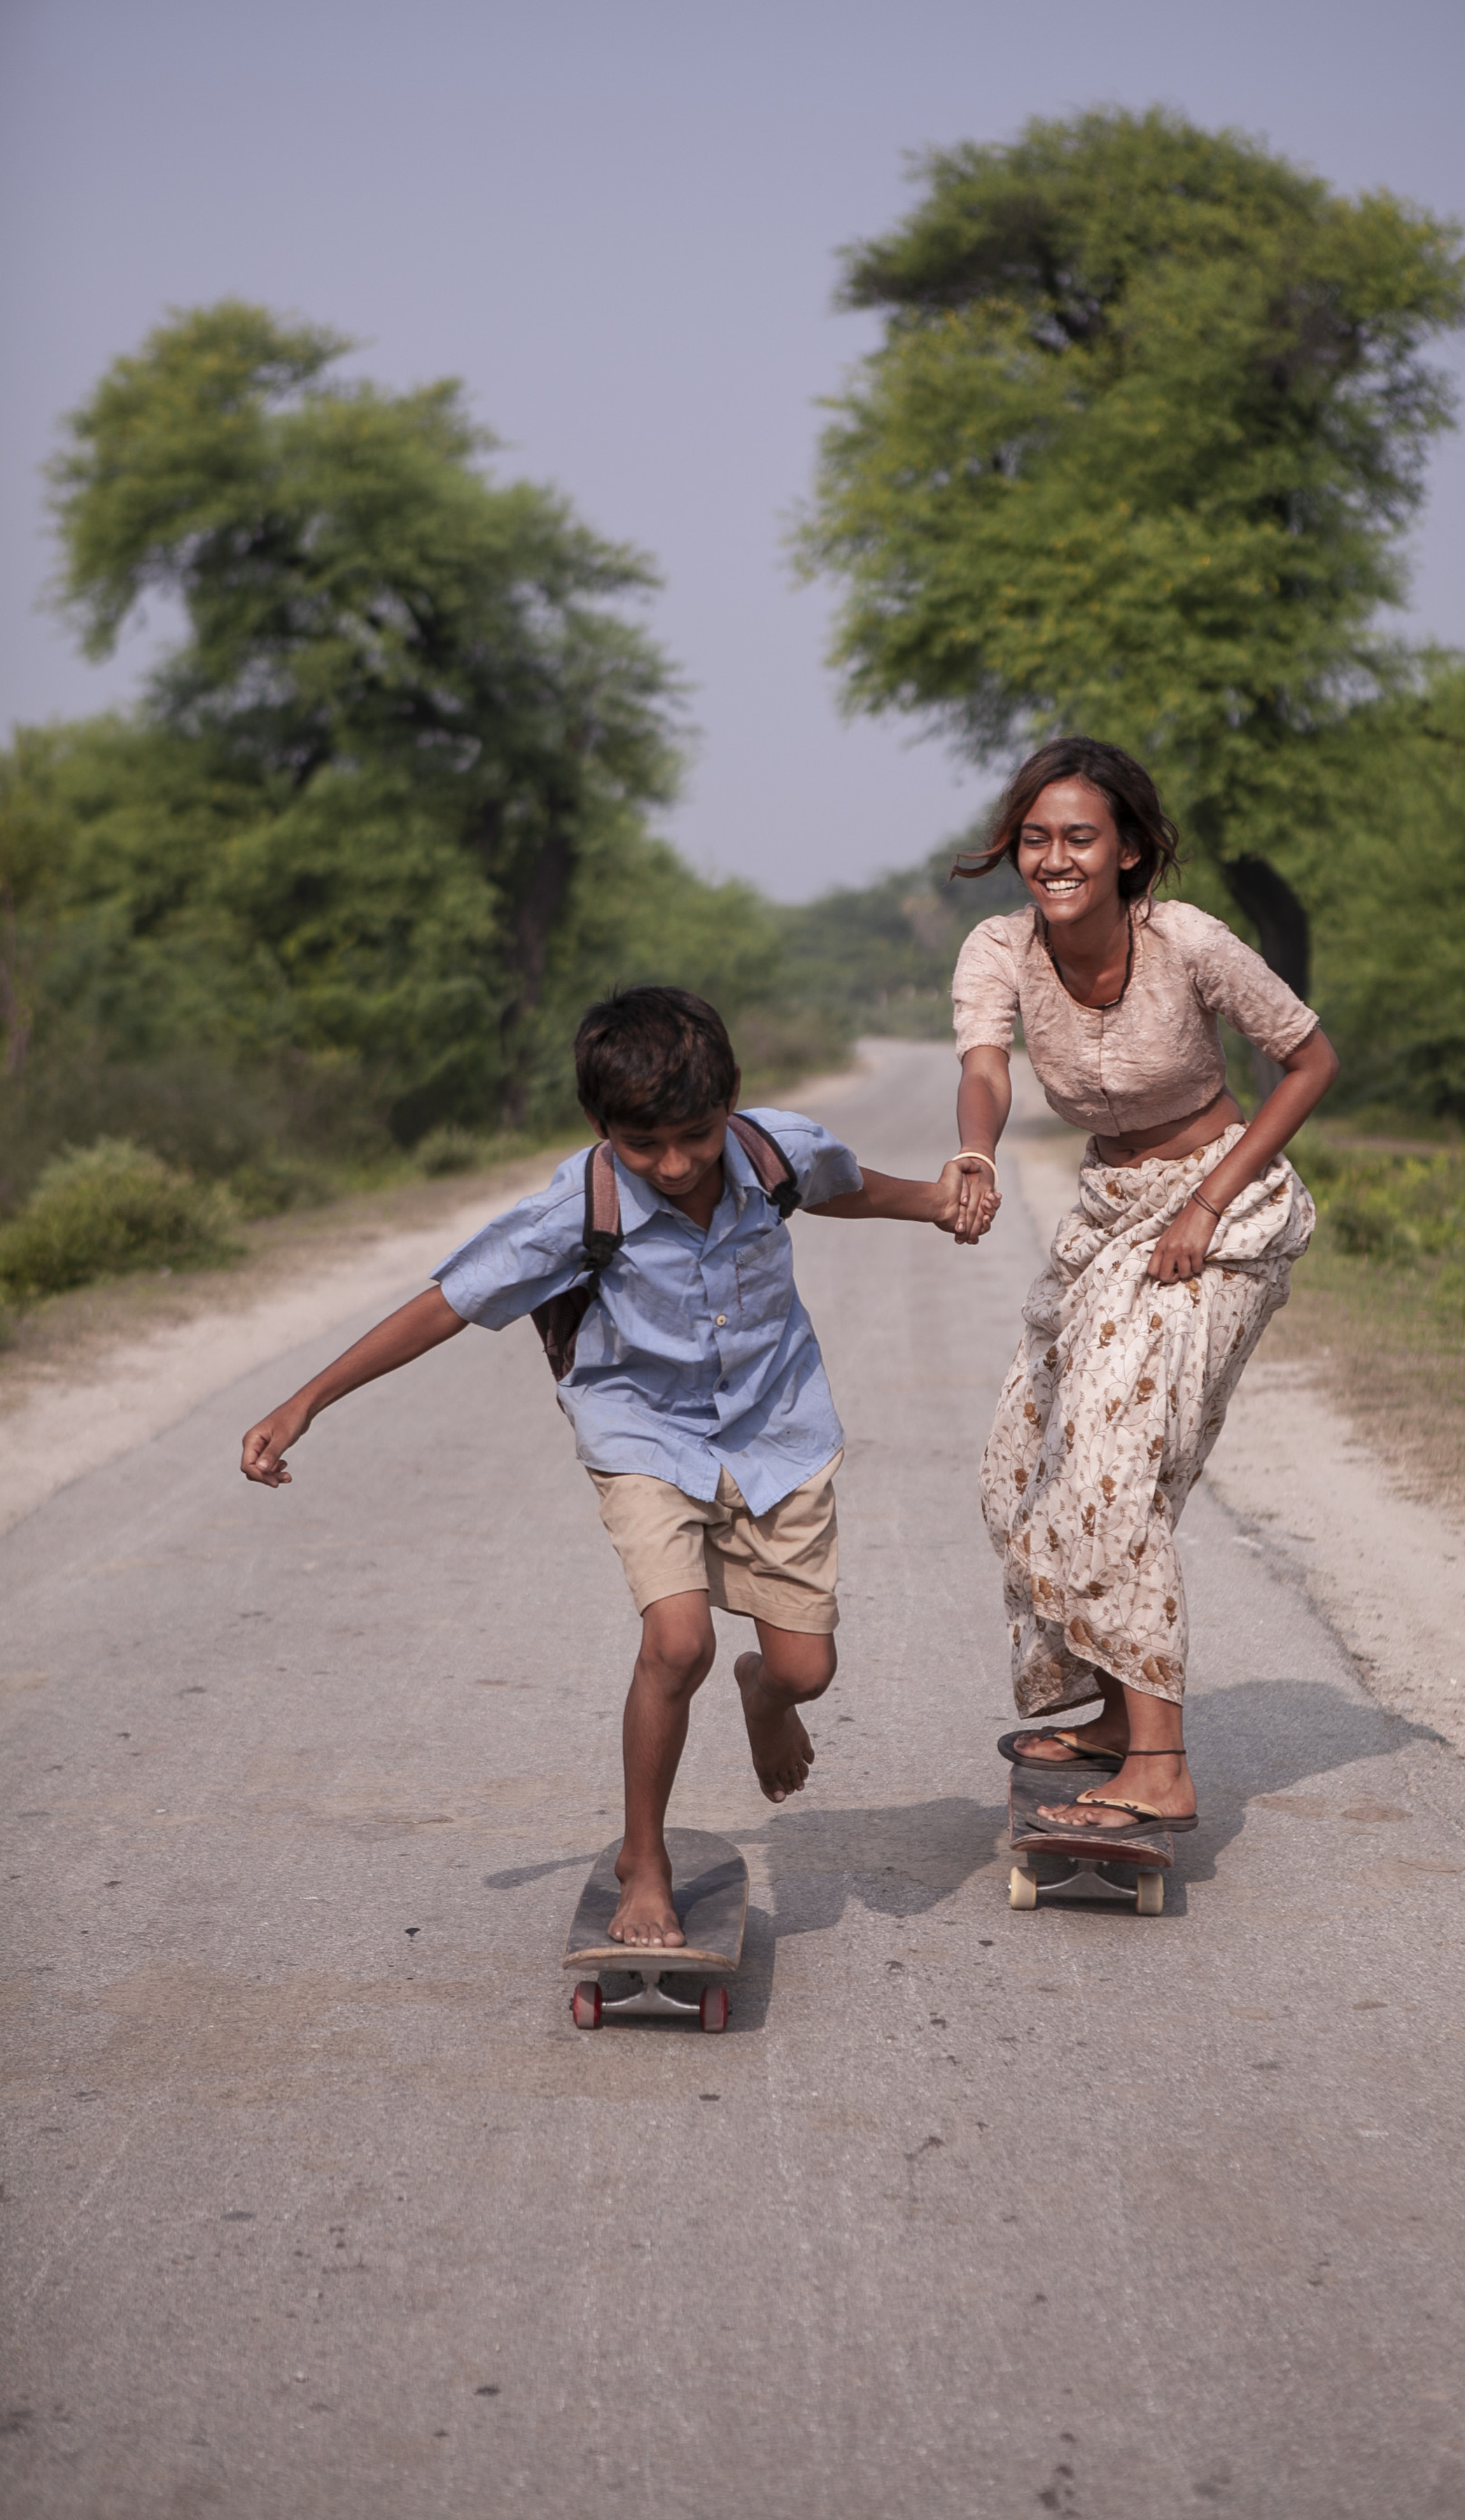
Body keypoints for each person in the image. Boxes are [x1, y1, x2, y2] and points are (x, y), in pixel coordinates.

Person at [241, 986, 998, 1947]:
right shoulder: (573, 1211)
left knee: (808, 1668)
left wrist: (936, 1203)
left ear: (731, 1104)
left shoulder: (774, 1150)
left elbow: (844, 1184)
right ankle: (646, 1857)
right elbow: (448, 1302)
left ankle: (765, 1695)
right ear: (602, 1127)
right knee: (678, 1642)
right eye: (645, 1147)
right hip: (642, 1434)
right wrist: (304, 1400)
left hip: (777, 1429)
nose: (676, 1165)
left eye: (696, 1136)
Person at [947, 736, 1339, 1839]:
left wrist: (1209, 1202)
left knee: (1114, 1464)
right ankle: (1116, 1717)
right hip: (1109, 1219)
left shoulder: (1189, 939)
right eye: (1037, 838)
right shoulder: (1001, 947)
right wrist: (974, 1154)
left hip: (1221, 1217)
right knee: (1018, 1464)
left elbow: (1310, 1060)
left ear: (1127, 852)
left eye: (1081, 837)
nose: (1056, 859)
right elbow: (985, 1066)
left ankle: (1160, 1765)